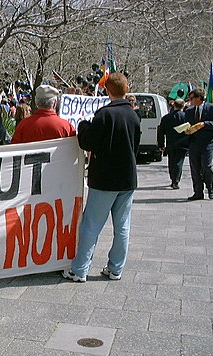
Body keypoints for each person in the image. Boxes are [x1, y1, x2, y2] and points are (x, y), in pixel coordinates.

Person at [62, 72, 141, 282]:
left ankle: (79, 270)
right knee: (122, 226)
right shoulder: (133, 115)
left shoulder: (104, 114)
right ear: (126, 89)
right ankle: (116, 269)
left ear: (107, 90)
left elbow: (87, 142)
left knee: (91, 225)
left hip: (105, 179)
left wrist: (83, 126)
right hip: (127, 179)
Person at [184, 87, 213, 200]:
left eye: (192, 98)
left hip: (208, 142)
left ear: (199, 98)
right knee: (195, 168)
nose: (190, 101)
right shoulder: (189, 111)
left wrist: (205, 124)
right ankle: (198, 192)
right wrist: (187, 130)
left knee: (206, 166)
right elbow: (187, 124)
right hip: (194, 142)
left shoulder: (212, 108)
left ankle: (210, 187)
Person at [11, 85, 76, 144]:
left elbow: (13, 150)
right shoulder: (66, 127)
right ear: (55, 103)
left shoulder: (23, 126)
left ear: (36, 103)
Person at [157, 98, 188, 189]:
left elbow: (161, 132)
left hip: (170, 143)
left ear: (174, 105)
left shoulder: (166, 118)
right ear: (183, 106)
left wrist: (161, 144)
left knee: (171, 162)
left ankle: (173, 179)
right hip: (182, 143)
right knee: (179, 162)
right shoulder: (186, 117)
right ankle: (176, 180)